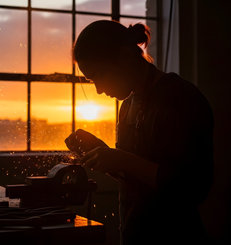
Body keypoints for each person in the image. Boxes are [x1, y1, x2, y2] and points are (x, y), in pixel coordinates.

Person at [65, 20, 214, 244]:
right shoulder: (128, 106)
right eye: (91, 80)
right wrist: (103, 154)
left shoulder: (181, 99)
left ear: (124, 57)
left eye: (100, 75)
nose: (99, 89)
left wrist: (122, 160)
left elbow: (192, 187)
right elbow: (136, 176)